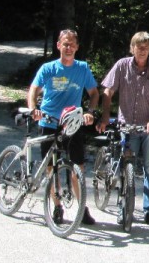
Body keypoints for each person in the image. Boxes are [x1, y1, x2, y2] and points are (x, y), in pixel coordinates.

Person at [96, 31, 149, 225]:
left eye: (146, 47)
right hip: (127, 125)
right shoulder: (122, 66)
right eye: (139, 47)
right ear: (132, 48)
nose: (142, 50)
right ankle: (124, 205)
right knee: (125, 166)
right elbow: (108, 90)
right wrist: (106, 116)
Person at [27, 29, 99, 225]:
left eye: (72, 44)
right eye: (65, 44)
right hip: (49, 121)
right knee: (50, 168)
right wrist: (34, 109)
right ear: (58, 45)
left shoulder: (83, 68)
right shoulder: (48, 68)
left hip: (73, 122)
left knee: (78, 167)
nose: (68, 48)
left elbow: (94, 93)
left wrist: (90, 112)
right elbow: (34, 89)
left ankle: (82, 208)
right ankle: (57, 206)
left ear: (77, 47)